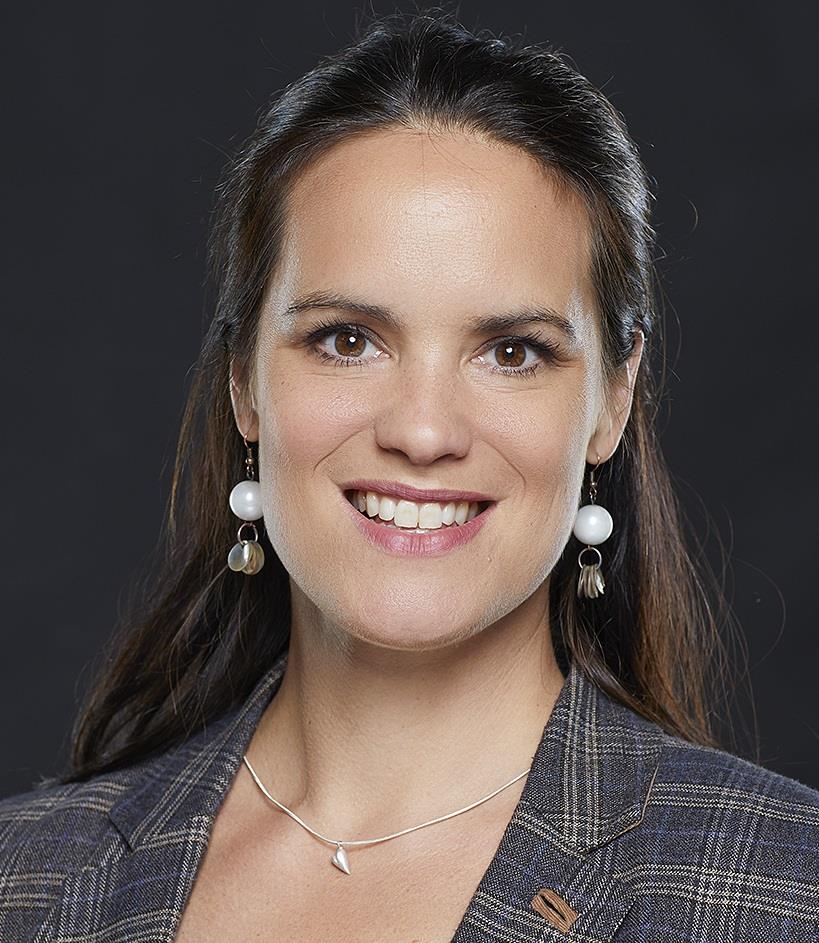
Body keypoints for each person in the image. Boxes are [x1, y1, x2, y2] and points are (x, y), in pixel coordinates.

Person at [1, 9, 817, 942]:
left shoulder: (786, 888)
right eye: (346, 340)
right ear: (243, 382)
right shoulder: (26, 877)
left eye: (511, 351)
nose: (423, 432)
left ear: (611, 398)